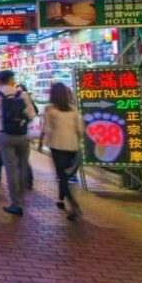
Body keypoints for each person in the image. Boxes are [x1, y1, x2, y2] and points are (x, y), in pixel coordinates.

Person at [0, 70, 37, 216]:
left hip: (5, 135)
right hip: (22, 135)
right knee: (23, 166)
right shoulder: (23, 94)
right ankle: (21, 195)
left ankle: (16, 203)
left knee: (10, 169)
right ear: (12, 80)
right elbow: (32, 115)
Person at [39, 82, 86, 220]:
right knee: (66, 175)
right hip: (73, 146)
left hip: (57, 146)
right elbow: (80, 129)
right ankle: (63, 200)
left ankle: (72, 204)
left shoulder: (49, 109)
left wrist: (42, 142)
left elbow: (47, 128)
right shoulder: (73, 109)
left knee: (62, 176)